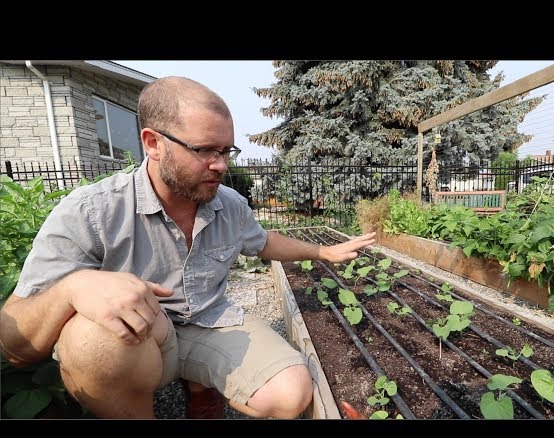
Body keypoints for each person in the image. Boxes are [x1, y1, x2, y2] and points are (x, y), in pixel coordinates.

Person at [0, 76, 377, 419]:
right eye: (205, 150)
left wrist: (323, 252)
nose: (221, 165)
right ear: (153, 143)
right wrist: (72, 287)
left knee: (290, 394)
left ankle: (200, 387)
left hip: (209, 322)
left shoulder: (229, 205)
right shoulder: (91, 211)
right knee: (90, 342)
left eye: (226, 151)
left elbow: (262, 241)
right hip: (141, 340)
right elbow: (14, 346)